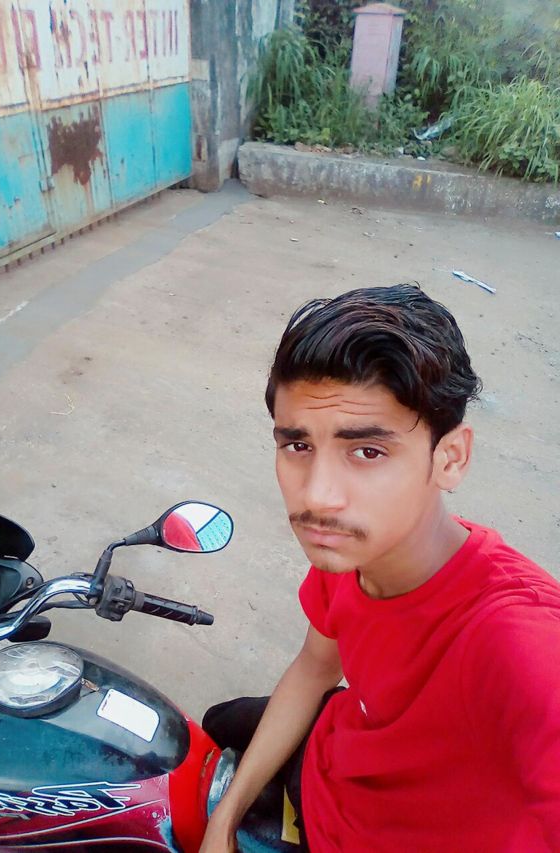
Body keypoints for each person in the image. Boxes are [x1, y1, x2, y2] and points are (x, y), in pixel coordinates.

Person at [199, 284, 560, 852]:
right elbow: (316, 668)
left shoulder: (516, 639)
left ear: (450, 458)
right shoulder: (351, 549)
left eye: (367, 451)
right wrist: (223, 822)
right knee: (214, 723)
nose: (318, 497)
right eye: (298, 446)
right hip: (335, 764)